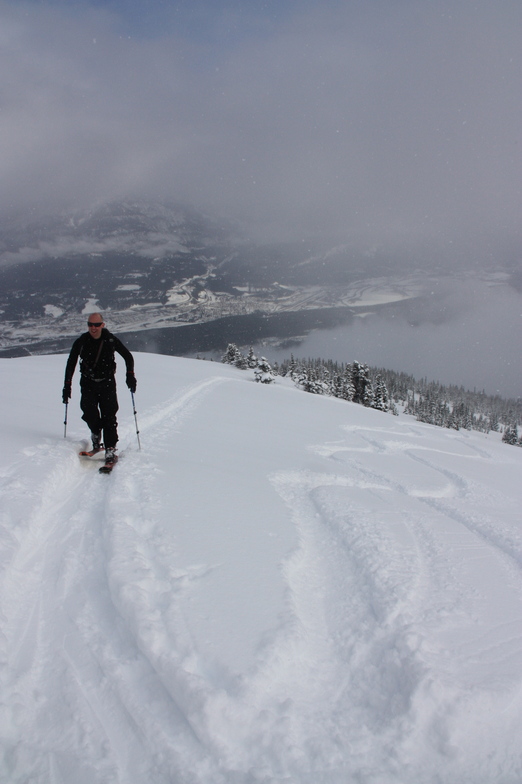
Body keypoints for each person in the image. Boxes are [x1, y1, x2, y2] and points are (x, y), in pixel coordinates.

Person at [62, 313, 136, 465]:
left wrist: (130, 375)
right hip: (88, 383)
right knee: (89, 413)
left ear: (103, 325)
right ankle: (96, 433)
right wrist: (67, 385)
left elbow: (128, 356)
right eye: (90, 324)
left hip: (107, 383)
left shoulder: (110, 340)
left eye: (96, 325)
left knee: (109, 416)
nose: (93, 328)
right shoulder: (82, 341)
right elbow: (71, 363)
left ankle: (110, 448)